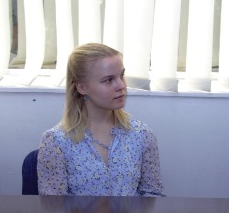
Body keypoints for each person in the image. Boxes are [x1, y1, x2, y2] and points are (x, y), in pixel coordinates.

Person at [37, 43, 164, 196]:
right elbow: (53, 206)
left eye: (121, 76)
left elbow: (153, 195)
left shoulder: (142, 135)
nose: (121, 86)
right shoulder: (56, 142)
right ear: (82, 87)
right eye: (108, 80)